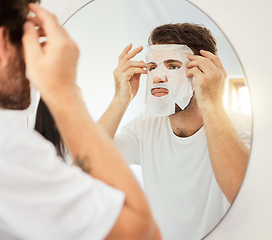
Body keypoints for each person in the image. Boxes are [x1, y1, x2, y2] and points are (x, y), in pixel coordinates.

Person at [0, 1, 161, 239]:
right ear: (4, 43)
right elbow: (142, 233)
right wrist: (62, 91)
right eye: (33, 38)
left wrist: (119, 100)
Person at [98, 23, 251, 240]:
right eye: (152, 67)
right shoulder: (145, 126)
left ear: (204, 71)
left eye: (172, 66)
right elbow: (83, 168)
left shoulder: (241, 127)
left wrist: (211, 101)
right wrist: (120, 99)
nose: (158, 77)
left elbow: (244, 198)